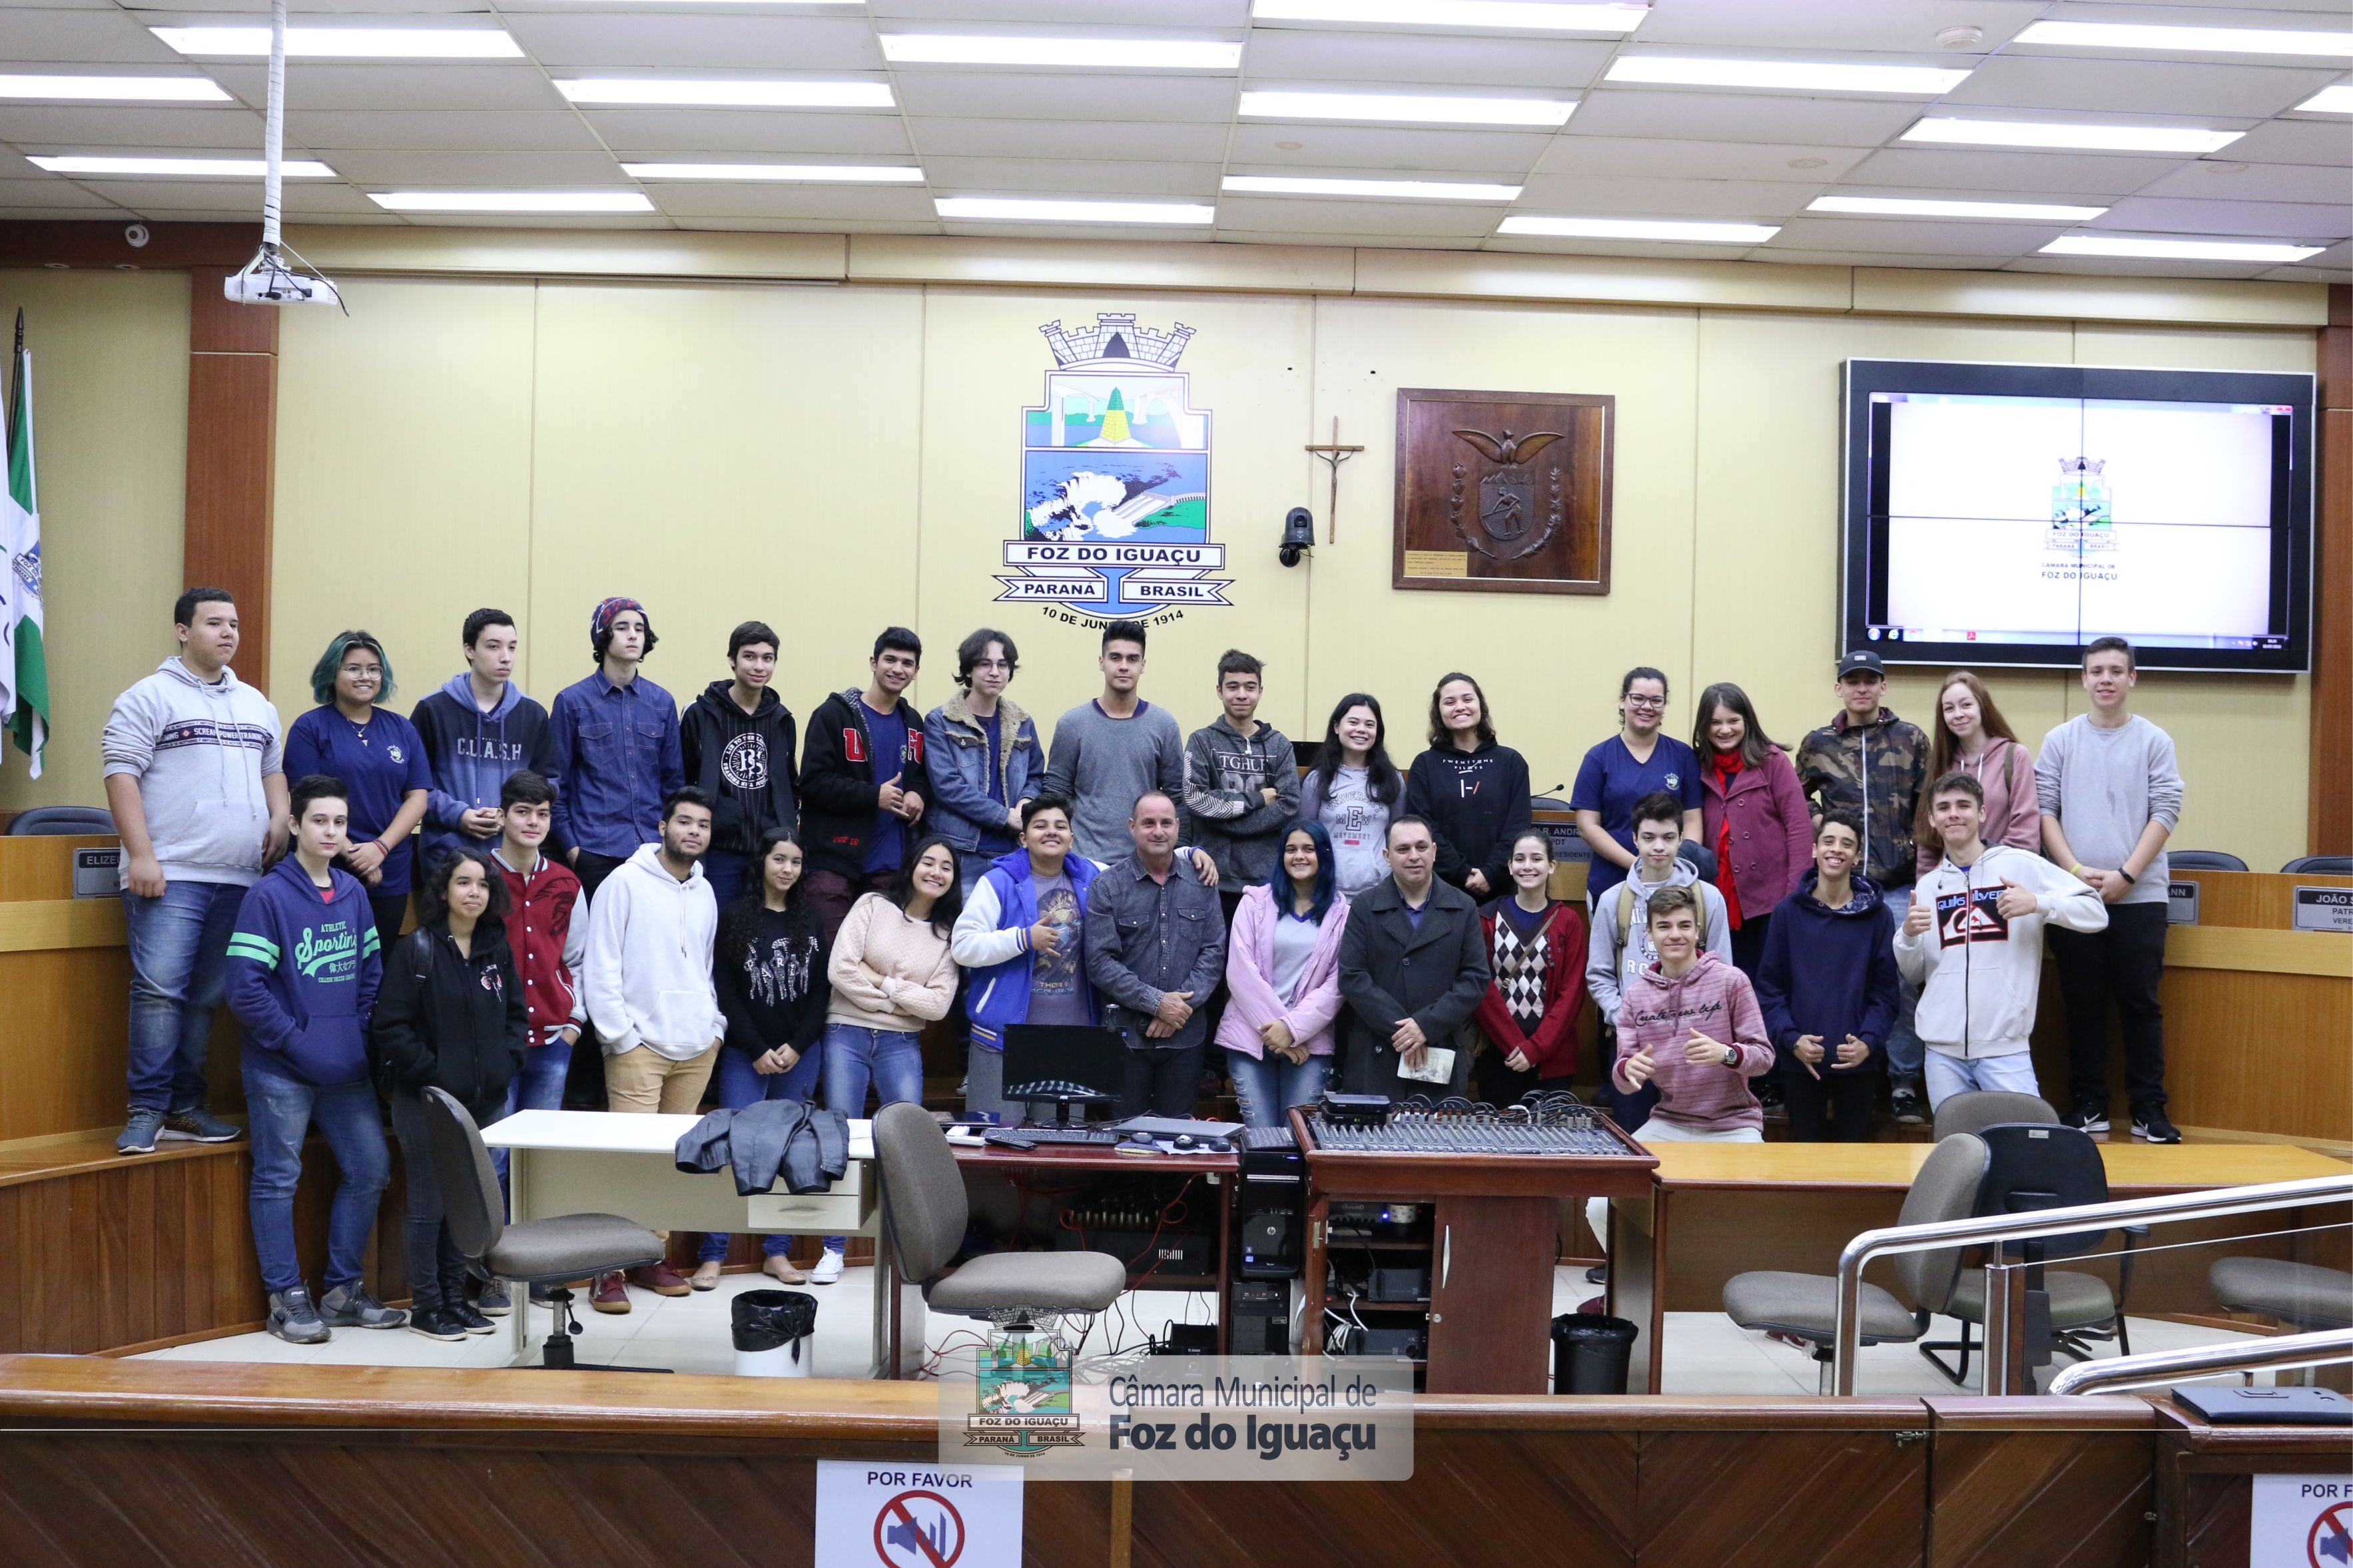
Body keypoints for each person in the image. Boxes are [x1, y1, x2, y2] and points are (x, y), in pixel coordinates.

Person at [104, 586, 286, 1156]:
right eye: (214, 623)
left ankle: (185, 1107)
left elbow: (273, 770)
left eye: (233, 623)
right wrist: (141, 855)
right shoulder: (147, 696)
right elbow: (120, 775)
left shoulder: (257, 703)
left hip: (241, 878)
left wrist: (281, 815)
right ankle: (147, 1108)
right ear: (183, 630)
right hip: (172, 872)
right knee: (160, 993)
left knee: (207, 998)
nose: (229, 632)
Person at [224, 774, 402, 1343]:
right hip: (282, 1068)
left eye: (341, 822)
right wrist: (299, 1042)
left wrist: (355, 1033)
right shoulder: (268, 896)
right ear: (295, 824)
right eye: (320, 820)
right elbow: (244, 990)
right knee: (278, 1178)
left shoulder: (353, 893)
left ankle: (342, 1291)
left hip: (344, 1067)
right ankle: (285, 1298)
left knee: (370, 1167)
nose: (331, 831)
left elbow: (371, 974)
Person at [372, 846, 526, 1342]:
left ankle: (456, 1298)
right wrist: (434, 1075)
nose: (474, 891)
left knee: (463, 1206)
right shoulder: (417, 948)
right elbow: (389, 1026)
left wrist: (504, 1067)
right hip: (427, 1101)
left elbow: (516, 1019)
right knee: (428, 1203)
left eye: (482, 883)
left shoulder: (496, 948)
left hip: (483, 1102)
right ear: (443, 890)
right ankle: (427, 1305)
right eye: (463, 882)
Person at [2037, 637, 2185, 1143]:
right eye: (2095, 670)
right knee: (2082, 1003)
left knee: (2140, 1004)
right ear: (2083, 679)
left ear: (2131, 679)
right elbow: (2044, 811)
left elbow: (2165, 811)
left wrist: (2125, 875)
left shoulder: (2153, 740)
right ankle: (2089, 1105)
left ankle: (2149, 1109)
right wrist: (2076, 872)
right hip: (2074, 895)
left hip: (2140, 897)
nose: (2104, 678)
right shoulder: (2059, 740)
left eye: (2114, 670)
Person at [581, 786, 723, 1310]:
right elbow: (600, 964)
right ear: (662, 828)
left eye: (702, 825)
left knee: (667, 1162)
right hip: (638, 1046)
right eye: (684, 822)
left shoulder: (704, 891)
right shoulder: (623, 883)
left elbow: (703, 967)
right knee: (628, 1160)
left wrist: (715, 1026)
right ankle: (608, 1268)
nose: (693, 832)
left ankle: (650, 1256)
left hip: (695, 1047)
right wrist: (621, 1035)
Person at [1897, 771, 2107, 1109]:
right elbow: (1914, 973)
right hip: (1941, 1054)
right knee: (1957, 1151)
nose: (1954, 813)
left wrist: (2039, 903)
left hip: (2005, 1051)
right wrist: (1908, 937)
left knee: (2021, 1148)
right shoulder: (1927, 887)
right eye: (1944, 807)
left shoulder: (2021, 865)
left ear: (1982, 814)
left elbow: (2096, 913)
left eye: (1964, 805)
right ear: (1932, 819)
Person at [1583, 885, 1771, 1256]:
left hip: (1733, 1124)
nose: (1675, 935)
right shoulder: (1636, 995)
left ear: (1698, 931)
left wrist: (1727, 1054)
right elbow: (1623, 1078)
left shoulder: (1732, 981)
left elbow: (1763, 1057)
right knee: (1601, 1204)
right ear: (1649, 934)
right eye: (1664, 926)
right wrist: (1628, 1069)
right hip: (1669, 1121)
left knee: (1757, 1204)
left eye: (1684, 925)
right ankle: (1640, 1283)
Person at [817, 835, 961, 1282]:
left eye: (946, 867)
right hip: (846, 1032)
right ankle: (832, 1249)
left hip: (902, 1044)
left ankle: (905, 1249)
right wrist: (895, 1001)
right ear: (912, 865)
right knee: (840, 1134)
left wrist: (882, 985)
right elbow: (839, 968)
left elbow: (938, 1006)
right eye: (928, 862)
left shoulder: (945, 936)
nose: (936, 871)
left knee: (904, 1141)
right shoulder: (873, 905)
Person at [1796, 649, 1930, 1125]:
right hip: (1839, 885)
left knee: (1898, 981)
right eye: (1851, 680)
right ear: (1839, 688)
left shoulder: (1911, 738)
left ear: (1882, 686)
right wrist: (1819, 825)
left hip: (1896, 884)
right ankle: (1834, 1071)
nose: (1861, 688)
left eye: (1869, 680)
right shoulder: (1818, 743)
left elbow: (1927, 803)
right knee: (1834, 979)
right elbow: (1796, 797)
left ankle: (1900, 1081)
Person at [697, 826, 828, 1289]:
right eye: (778, 859)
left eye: (794, 860)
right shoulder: (735, 917)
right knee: (733, 1148)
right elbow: (726, 991)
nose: (786, 868)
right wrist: (755, 1049)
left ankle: (777, 1251)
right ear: (762, 862)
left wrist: (796, 1045)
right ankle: (713, 1254)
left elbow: (819, 994)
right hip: (744, 1055)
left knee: (791, 1151)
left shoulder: (811, 920)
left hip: (801, 1054)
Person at [952, 795, 1099, 1121]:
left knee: (1061, 1151)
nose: (1052, 832)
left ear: (1072, 838)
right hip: (1003, 1040)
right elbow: (962, 946)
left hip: (1070, 1042)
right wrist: (1023, 939)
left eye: (1061, 826)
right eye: (1040, 826)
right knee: (995, 1143)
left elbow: (1142, 860)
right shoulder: (997, 882)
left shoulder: (1092, 877)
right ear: (1023, 838)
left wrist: (1190, 852)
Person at [1756, 812, 1899, 1144]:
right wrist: (1792, 1040)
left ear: (1858, 856)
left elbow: (1886, 994)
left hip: (1858, 1064)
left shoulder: (1879, 917)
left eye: (1847, 844)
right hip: (1801, 1063)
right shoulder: (1786, 913)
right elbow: (1769, 991)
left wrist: (1869, 1042)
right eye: (1829, 841)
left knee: (1854, 1166)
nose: (1837, 850)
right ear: (1814, 849)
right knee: (1805, 1165)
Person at [284, 629, 432, 952]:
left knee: (379, 966)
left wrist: (379, 849)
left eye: (374, 669)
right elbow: (304, 800)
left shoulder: (402, 728)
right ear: (332, 674)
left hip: (389, 868)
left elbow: (418, 797)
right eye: (353, 668)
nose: (365, 676)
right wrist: (352, 853)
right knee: (327, 963)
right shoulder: (310, 728)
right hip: (327, 866)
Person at [1085, 791, 1226, 1117]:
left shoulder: (1203, 881)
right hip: (1126, 1039)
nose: (1158, 831)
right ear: (1132, 827)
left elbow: (1214, 951)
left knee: (1176, 1147)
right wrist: (1157, 1003)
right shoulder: (1107, 886)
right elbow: (1100, 962)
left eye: (1166, 823)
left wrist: (1179, 1008)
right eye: (1149, 823)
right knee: (1124, 1145)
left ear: (1178, 828)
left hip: (1185, 1037)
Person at [1336, 814, 1490, 1100]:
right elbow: (1352, 976)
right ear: (1387, 856)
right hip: (1377, 1052)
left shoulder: (1464, 906)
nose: (1414, 856)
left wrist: (1425, 1026)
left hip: (1439, 1049)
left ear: (1434, 851)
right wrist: (1405, 1032)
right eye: (1403, 849)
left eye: (1421, 847)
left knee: (1436, 1142)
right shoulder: (1364, 907)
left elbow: (1475, 978)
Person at [801, 627, 932, 943]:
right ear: (873, 662)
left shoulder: (914, 722)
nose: (898, 669)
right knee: (828, 960)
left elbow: (921, 775)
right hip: (833, 862)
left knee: (876, 960)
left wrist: (918, 793)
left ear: (916, 671)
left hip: (890, 866)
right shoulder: (833, 715)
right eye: (890, 659)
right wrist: (874, 796)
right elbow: (811, 783)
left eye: (907, 663)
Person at [1217, 821, 1351, 1128]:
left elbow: (1336, 986)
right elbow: (1240, 972)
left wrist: (1292, 1029)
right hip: (1250, 1038)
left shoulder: (1342, 914)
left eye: (1308, 849)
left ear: (1325, 855)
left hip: (1310, 1044)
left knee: (1300, 1140)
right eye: (1291, 850)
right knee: (1261, 1138)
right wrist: (1282, 1032)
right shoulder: (1254, 902)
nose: (1299, 856)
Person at [550, 597, 683, 904]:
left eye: (639, 628)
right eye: (622, 627)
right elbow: (555, 784)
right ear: (603, 636)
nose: (633, 635)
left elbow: (673, 784)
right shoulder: (572, 702)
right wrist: (572, 849)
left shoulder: (662, 702)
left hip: (652, 850)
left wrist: (669, 843)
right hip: (594, 849)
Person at [410, 607, 561, 868]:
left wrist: (511, 813)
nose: (506, 658)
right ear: (469, 650)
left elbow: (550, 783)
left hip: (512, 857)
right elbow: (414, 786)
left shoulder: (533, 714)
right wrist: (460, 815)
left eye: (512, 648)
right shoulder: (433, 710)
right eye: (494, 647)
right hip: (446, 858)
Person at [1041, 619, 1186, 867]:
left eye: (1132, 659)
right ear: (1101, 662)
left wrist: (1178, 855)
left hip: (1144, 863)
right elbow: (1055, 795)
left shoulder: (1164, 725)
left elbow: (1176, 798)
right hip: (1082, 862)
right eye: (1115, 658)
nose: (1123, 666)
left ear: (1143, 665)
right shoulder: (1072, 724)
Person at [1692, 680, 1811, 977]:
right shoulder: (1697, 765)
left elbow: (1798, 827)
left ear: (1747, 721)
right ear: (1704, 726)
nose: (1725, 730)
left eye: (1733, 721)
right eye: (1715, 722)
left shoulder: (1773, 761)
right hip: (1717, 901)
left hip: (1770, 900)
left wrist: (1794, 894)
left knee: (1769, 985)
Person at [681, 619, 800, 909]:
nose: (759, 666)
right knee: (719, 933)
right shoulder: (700, 714)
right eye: (750, 656)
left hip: (769, 851)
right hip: (720, 850)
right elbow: (683, 779)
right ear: (732, 660)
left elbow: (789, 782)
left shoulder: (782, 719)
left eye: (767, 658)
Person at [490, 770, 585, 1120]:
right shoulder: (478, 878)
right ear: (502, 816)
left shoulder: (567, 883)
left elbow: (579, 960)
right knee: (494, 1157)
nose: (534, 822)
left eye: (542, 814)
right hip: (493, 1041)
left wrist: (573, 1026)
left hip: (553, 1040)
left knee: (540, 1156)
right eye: (523, 811)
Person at [1469, 830, 1588, 1106]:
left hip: (1552, 1056)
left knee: (1551, 1144)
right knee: (1499, 1143)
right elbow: (1480, 987)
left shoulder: (1568, 921)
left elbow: (1572, 995)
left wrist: (1536, 1049)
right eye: (1520, 859)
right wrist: (1516, 1047)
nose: (1528, 866)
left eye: (1537, 858)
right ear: (1510, 867)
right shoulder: (1486, 918)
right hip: (1499, 1055)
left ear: (1552, 865)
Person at [924, 627, 1043, 902]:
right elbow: (947, 787)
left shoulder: (1022, 722)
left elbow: (1036, 776)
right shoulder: (941, 721)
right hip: (960, 852)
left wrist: (1026, 802)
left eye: (1003, 665)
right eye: (985, 664)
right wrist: (1005, 818)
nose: (995, 672)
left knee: (1012, 938)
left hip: (1013, 854)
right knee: (960, 939)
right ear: (968, 670)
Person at [1573, 666, 1704, 902]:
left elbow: (1693, 820)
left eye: (1656, 700)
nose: (1647, 706)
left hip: (1672, 887)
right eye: (1638, 698)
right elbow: (1587, 825)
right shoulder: (1598, 757)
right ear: (1623, 702)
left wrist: (1675, 866)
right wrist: (1639, 865)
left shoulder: (1683, 756)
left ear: (1664, 707)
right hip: (1612, 883)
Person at [1182, 650, 1301, 893]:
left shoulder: (1279, 745)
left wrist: (1224, 820)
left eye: (1250, 687)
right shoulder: (1202, 741)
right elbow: (1197, 800)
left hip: (1266, 880)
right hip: (1211, 877)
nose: (1241, 695)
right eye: (1233, 686)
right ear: (1219, 691)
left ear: (1260, 691)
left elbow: (1289, 805)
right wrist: (1258, 800)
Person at [1404, 672, 1531, 899]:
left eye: (1467, 699)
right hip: (1442, 889)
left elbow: (1518, 826)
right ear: (1438, 712)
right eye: (1449, 702)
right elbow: (1423, 828)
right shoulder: (1425, 764)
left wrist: (1491, 874)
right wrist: (1462, 872)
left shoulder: (1511, 762)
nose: (1460, 707)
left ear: (1480, 706)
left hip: (1502, 888)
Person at [1915, 670, 2040, 878]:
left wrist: (1979, 870)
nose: (1958, 714)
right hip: (1951, 887)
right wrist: (1925, 888)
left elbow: (2025, 834)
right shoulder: (1939, 763)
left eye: (1966, 705)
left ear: (1983, 706)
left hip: (2004, 884)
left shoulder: (2015, 756)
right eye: (1949, 709)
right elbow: (1928, 841)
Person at [1301, 692, 1403, 900]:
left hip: (1379, 893)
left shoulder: (1393, 780)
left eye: (1369, 725)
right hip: (1326, 892)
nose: (1361, 730)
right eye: (1353, 722)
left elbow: (1399, 834)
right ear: (1337, 727)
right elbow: (1303, 836)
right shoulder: (1317, 779)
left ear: (1377, 732)